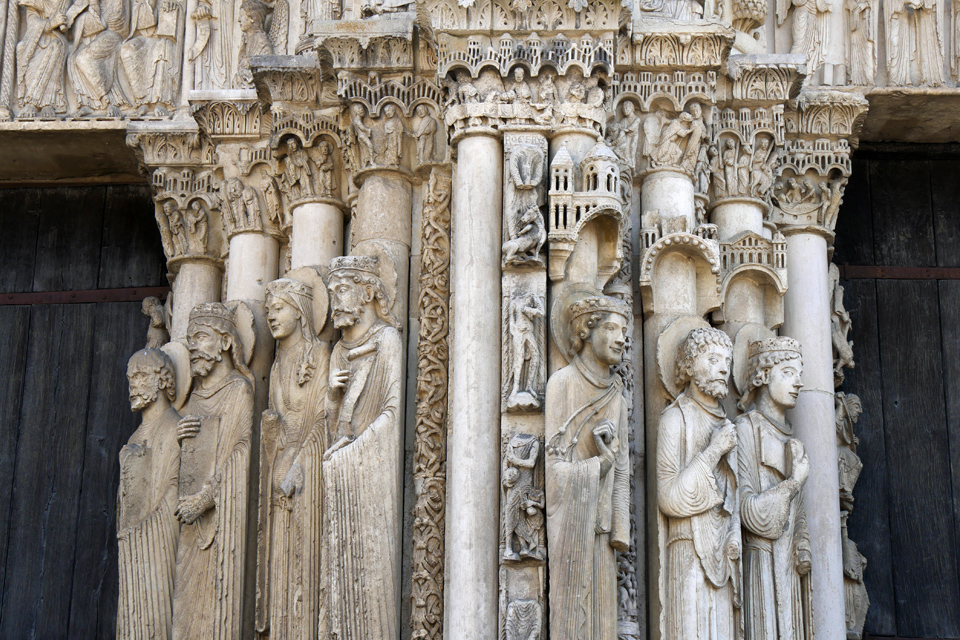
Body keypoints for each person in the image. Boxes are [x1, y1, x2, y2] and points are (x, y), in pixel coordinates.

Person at [323, 255, 404, 640]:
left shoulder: (388, 340)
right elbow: (332, 420)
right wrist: (331, 394)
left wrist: (352, 453)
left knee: (369, 567)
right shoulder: (338, 352)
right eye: (332, 291)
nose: (335, 300)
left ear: (368, 291)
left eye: (342, 290)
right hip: (339, 474)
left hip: (369, 473)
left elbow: (391, 412)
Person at [546, 295, 631, 640]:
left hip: (601, 532)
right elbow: (553, 470)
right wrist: (599, 464)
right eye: (611, 327)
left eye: (624, 330)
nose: (621, 337)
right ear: (585, 329)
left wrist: (620, 531)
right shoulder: (562, 384)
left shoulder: (618, 397)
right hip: (570, 530)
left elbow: (622, 469)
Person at [173, 302, 254, 638]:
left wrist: (204, 499)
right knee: (185, 607)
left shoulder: (239, 391)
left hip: (218, 520)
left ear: (225, 343)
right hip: (187, 526)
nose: (193, 346)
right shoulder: (192, 398)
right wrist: (175, 438)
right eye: (189, 339)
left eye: (202, 337)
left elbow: (240, 453)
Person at [657, 327, 741, 640]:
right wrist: (713, 451)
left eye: (728, 361)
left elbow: (735, 499)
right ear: (690, 366)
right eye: (713, 359)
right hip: (688, 549)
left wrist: (734, 533)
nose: (723, 368)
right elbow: (668, 498)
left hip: (726, 558)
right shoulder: (674, 419)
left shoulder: (729, 426)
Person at [735, 336, 812, 640]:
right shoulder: (747, 428)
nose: (799, 383)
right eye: (789, 373)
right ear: (763, 375)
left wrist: (803, 544)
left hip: (790, 570)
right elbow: (747, 512)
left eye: (801, 374)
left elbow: (800, 513)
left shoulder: (792, 439)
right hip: (762, 564)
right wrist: (793, 482)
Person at [117, 348, 181, 640]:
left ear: (162, 380)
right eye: (131, 378)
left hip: (157, 544)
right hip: (132, 547)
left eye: (141, 376)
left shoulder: (176, 426)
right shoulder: (134, 437)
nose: (133, 385)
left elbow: (174, 490)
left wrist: (141, 530)